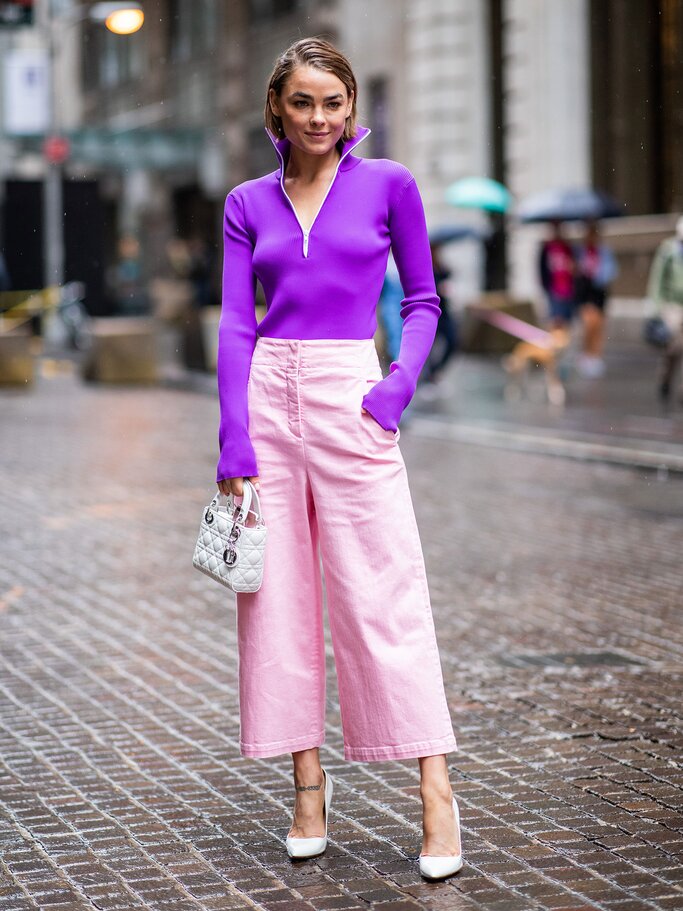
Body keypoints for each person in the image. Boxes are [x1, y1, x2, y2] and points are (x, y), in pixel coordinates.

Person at [214, 37, 462, 881]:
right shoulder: (247, 201)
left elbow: (423, 298)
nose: (321, 117)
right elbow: (236, 323)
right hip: (267, 393)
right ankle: (307, 788)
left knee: (382, 588)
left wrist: (395, 387)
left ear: (350, 108)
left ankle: (435, 793)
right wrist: (232, 435)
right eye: (304, 102)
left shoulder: (388, 185)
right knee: (275, 598)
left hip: (350, 388)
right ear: (276, 111)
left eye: (334, 102)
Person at [574, 220, 618, 378]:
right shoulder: (580, 251)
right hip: (585, 292)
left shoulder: (604, 251)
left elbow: (611, 272)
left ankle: (596, 355)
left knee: (599, 324)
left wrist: (596, 273)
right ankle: (587, 354)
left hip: (599, 291)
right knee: (588, 323)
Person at [647, 215, 683, 404]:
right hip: (672, 305)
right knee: (675, 345)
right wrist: (656, 307)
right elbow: (657, 280)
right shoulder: (669, 250)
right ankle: (665, 379)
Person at [422, 242, 458, 389]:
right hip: (431, 311)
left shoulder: (440, 265)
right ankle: (428, 375)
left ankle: (436, 370)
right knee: (428, 345)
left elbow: (448, 276)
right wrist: (439, 289)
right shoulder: (426, 266)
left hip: (445, 312)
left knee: (453, 341)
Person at [538, 220, 576, 329]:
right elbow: (542, 269)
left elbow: (573, 266)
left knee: (567, 320)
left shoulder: (567, 247)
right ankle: (556, 343)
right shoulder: (547, 248)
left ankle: (563, 343)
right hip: (553, 288)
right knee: (555, 319)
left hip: (567, 288)